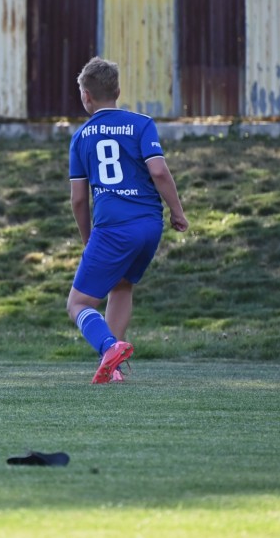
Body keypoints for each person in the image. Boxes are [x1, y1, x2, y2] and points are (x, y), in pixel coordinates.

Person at [67, 57, 189, 384]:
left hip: (113, 228)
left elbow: (78, 200)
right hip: (149, 225)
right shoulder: (142, 124)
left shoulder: (81, 137)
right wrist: (177, 211)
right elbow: (158, 171)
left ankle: (109, 347)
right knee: (121, 285)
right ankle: (113, 369)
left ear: (86, 96)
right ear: (118, 91)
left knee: (78, 303)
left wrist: (88, 239)